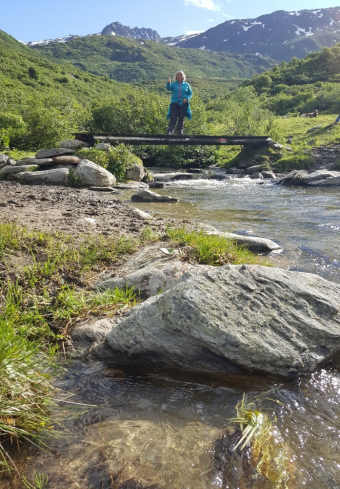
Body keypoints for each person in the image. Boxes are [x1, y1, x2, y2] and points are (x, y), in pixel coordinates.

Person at [166, 70, 193, 135]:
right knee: (173, 117)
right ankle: (170, 131)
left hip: (183, 104)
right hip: (174, 103)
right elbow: (168, 88)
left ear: (183, 76)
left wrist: (186, 99)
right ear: (176, 76)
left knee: (181, 118)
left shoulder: (186, 84)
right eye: (178, 75)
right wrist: (168, 83)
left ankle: (180, 132)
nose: (180, 76)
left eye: (181, 75)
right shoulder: (173, 84)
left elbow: (190, 93)